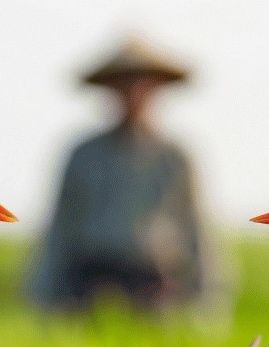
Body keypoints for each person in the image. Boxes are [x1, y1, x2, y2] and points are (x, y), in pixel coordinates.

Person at [30, 36, 217, 313]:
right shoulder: (82, 155)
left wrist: (208, 296)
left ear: (157, 88)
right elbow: (61, 224)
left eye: (142, 83)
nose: (133, 93)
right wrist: (45, 290)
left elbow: (195, 226)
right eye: (124, 84)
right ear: (110, 90)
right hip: (90, 279)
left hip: (154, 281)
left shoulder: (175, 157)